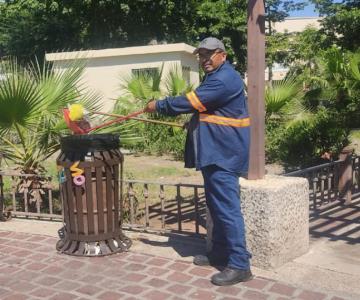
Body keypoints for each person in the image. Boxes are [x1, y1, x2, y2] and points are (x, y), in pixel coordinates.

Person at [144, 37, 252, 286]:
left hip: (224, 154)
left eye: (209, 55)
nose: (204, 60)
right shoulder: (217, 76)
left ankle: (240, 264)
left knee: (227, 209)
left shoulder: (225, 78)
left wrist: (158, 105)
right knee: (217, 207)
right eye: (201, 56)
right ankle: (221, 253)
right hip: (216, 152)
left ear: (222, 55)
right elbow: (211, 111)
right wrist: (194, 122)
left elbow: (192, 102)